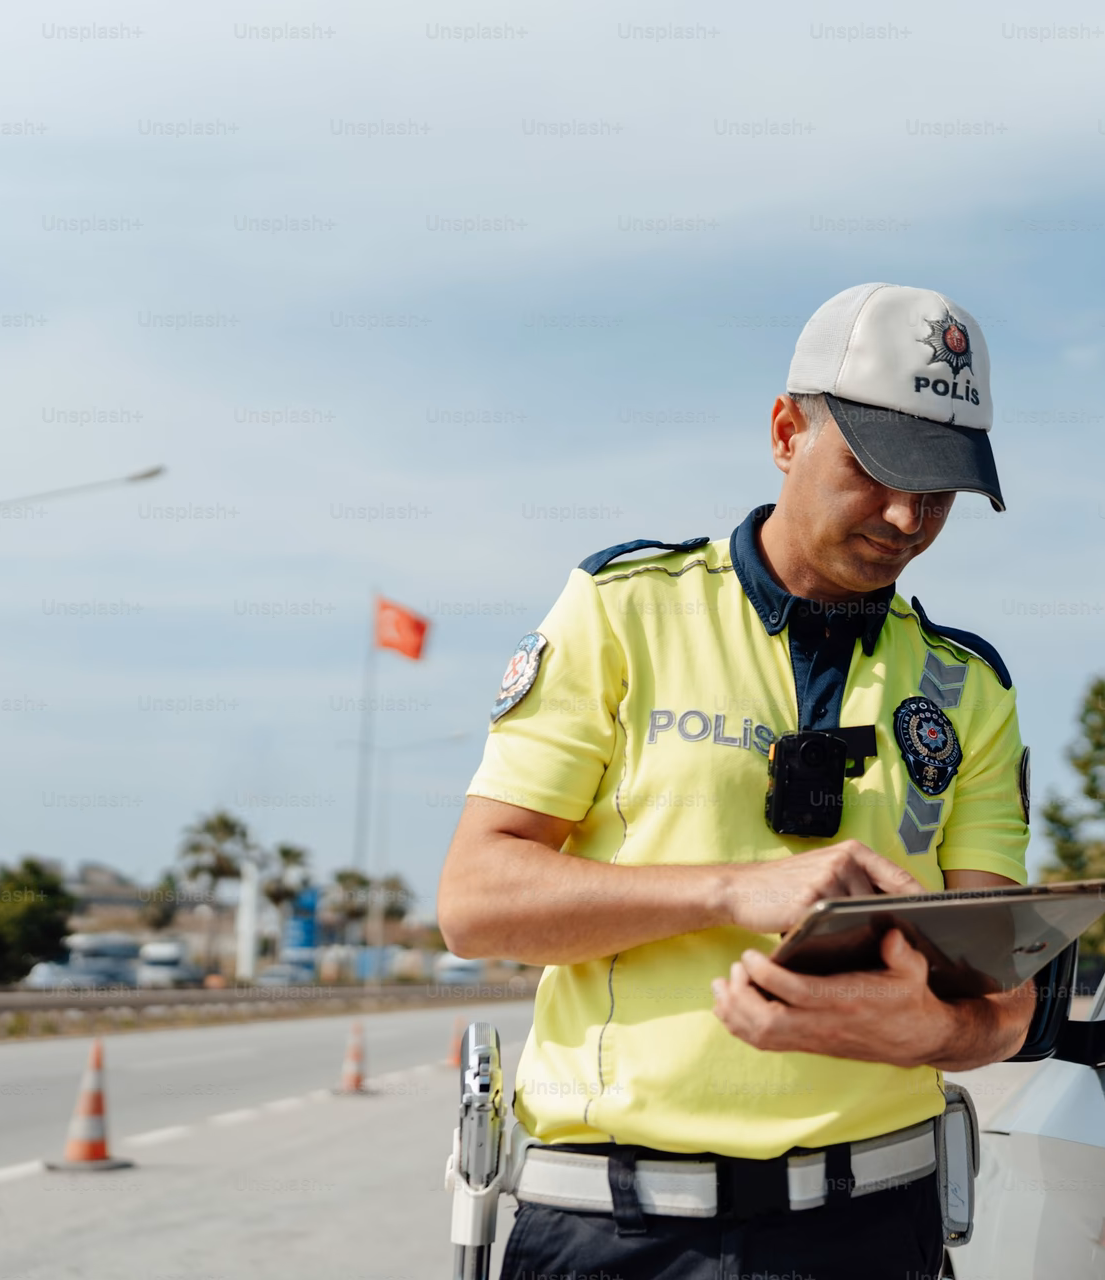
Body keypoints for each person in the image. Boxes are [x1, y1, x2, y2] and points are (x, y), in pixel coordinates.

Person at [437, 283, 1036, 1279]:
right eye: (877, 469)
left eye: (939, 489)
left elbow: (1007, 987)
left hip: (874, 1224)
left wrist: (943, 1027)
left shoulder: (968, 686)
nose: (905, 515)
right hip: (619, 1232)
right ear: (786, 431)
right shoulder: (624, 612)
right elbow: (475, 902)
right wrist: (731, 887)